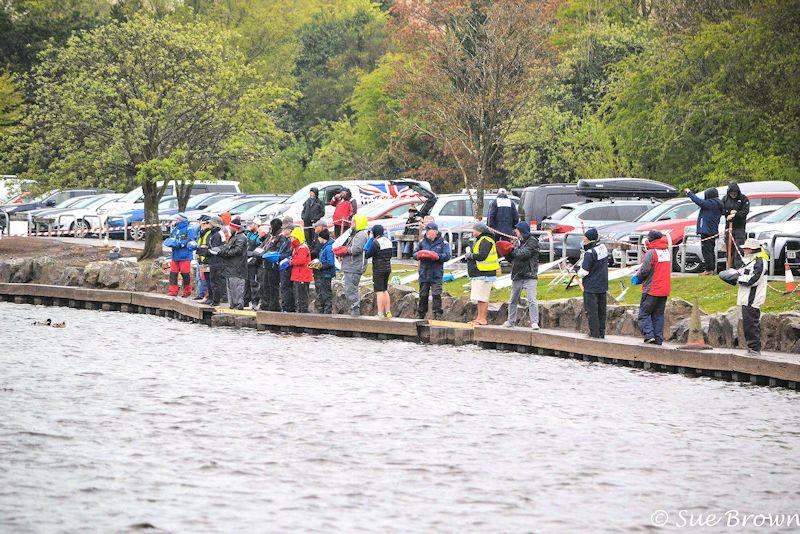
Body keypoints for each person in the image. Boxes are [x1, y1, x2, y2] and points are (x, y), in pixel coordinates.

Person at [631, 230, 671, 345]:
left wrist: (637, 278)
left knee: (644, 314)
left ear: (650, 240)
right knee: (658, 315)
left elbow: (644, 270)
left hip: (652, 289)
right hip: (664, 290)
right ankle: (658, 339)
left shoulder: (651, 252)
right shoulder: (666, 251)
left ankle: (649, 335)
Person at [503, 221, 540, 330]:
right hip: (517, 274)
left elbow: (522, 254)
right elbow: (511, 258)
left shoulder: (533, 242)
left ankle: (534, 322)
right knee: (513, 299)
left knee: (532, 299)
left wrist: (512, 249)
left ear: (522, 231)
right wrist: (506, 252)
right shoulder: (516, 242)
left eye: (517, 230)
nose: (515, 232)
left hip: (530, 274)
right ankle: (510, 321)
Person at [736, 238, 768, 355]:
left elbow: (753, 280)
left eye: (746, 248)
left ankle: (754, 349)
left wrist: (737, 279)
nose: (744, 250)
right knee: (748, 324)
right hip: (746, 298)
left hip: (752, 299)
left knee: (751, 324)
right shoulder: (751, 260)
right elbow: (743, 273)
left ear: (752, 249)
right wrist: (734, 274)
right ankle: (751, 348)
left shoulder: (759, 261)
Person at [414, 222, 451, 320]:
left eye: (429, 231)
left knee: (436, 294)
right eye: (426, 231)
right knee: (423, 294)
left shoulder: (443, 243)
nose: (427, 233)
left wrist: (438, 257)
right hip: (424, 273)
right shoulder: (422, 242)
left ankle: (438, 315)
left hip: (436, 273)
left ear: (435, 232)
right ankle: (421, 314)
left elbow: (447, 255)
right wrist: (419, 255)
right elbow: (414, 253)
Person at [577, 227, 609, 338]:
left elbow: (584, 272)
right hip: (603, 285)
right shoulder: (603, 248)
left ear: (589, 239)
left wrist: (578, 271)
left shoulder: (589, 253)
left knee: (592, 311)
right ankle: (601, 333)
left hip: (591, 287)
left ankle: (594, 334)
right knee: (601, 311)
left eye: (585, 237)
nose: (583, 239)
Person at [466, 222, 499, 325]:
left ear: (479, 230)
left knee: (483, 298)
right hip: (479, 273)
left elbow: (482, 256)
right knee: (479, 298)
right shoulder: (481, 239)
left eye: (474, 229)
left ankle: (482, 319)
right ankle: (479, 318)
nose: (473, 231)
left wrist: (470, 256)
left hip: (484, 273)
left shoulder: (486, 240)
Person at [685, 187, 723, 275]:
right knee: (710, 250)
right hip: (712, 231)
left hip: (707, 231)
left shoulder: (711, 203)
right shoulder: (717, 203)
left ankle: (709, 270)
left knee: (707, 251)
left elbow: (698, 201)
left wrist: (689, 193)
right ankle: (711, 269)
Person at [337, 213, 369, 316]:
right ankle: (354, 311)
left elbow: (357, 249)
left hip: (354, 266)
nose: (352, 223)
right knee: (349, 289)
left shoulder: (361, 235)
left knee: (351, 290)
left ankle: (355, 312)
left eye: (354, 221)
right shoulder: (355, 234)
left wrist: (345, 250)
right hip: (350, 266)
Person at [213, 216, 247, 310]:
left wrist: (225, 253)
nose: (230, 228)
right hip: (230, 265)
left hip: (238, 266)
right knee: (230, 286)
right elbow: (228, 247)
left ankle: (239, 304)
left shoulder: (241, 237)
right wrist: (220, 250)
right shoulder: (234, 236)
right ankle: (232, 304)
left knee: (237, 286)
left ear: (235, 227)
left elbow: (237, 250)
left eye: (231, 227)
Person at [164, 212, 197, 297]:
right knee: (173, 274)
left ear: (181, 220)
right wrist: (170, 242)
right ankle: (173, 292)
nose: (175, 221)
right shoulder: (175, 229)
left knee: (185, 274)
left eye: (177, 219)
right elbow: (171, 239)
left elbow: (190, 240)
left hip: (185, 256)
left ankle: (187, 292)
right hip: (175, 255)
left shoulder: (189, 229)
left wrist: (179, 243)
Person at [365, 224, 394, 318]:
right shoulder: (388, 241)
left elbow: (367, 254)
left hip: (378, 269)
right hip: (387, 268)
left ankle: (380, 313)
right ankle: (388, 312)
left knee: (379, 291)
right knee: (385, 290)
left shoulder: (376, 243)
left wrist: (368, 243)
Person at [722, 181, 750, 269]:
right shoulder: (725, 199)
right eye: (731, 192)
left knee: (739, 249)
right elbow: (722, 210)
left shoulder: (743, 199)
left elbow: (745, 212)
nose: (733, 194)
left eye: (735, 192)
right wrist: (729, 212)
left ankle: (738, 268)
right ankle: (729, 268)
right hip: (728, 228)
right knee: (729, 250)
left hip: (739, 228)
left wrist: (735, 214)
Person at [259, 218, 285, 311]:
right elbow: (266, 246)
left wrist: (268, 253)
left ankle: (274, 306)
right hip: (266, 264)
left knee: (273, 287)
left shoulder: (280, 237)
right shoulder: (272, 236)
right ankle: (266, 304)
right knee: (265, 286)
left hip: (273, 265)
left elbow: (277, 250)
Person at [287, 226, 312, 313]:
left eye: (293, 237)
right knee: (299, 296)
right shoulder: (297, 248)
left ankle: (303, 313)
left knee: (302, 297)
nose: (291, 239)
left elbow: (301, 260)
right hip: (298, 275)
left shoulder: (302, 248)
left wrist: (290, 262)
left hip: (302, 276)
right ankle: (300, 312)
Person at [313, 228, 336, 314]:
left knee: (326, 293)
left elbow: (330, 262)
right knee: (324, 293)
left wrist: (319, 266)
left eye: (319, 238)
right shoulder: (325, 247)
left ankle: (327, 311)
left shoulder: (328, 248)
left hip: (326, 274)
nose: (318, 239)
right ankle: (324, 310)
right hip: (323, 274)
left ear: (322, 238)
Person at [243, 217, 263, 309]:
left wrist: (252, 256)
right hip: (247, 260)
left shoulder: (259, 236)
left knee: (254, 283)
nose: (250, 225)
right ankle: (245, 301)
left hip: (255, 262)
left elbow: (259, 249)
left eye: (252, 224)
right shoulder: (249, 234)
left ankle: (255, 302)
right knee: (246, 282)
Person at [194, 215, 214, 301]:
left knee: (206, 279)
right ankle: (202, 294)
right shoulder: (201, 232)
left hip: (206, 259)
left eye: (202, 223)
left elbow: (207, 246)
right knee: (200, 278)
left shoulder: (209, 233)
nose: (200, 225)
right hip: (200, 258)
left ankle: (206, 296)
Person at [279, 216, 296, 312]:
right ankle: (286, 306)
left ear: (289, 230)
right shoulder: (285, 240)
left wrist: (280, 256)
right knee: (284, 287)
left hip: (287, 267)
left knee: (286, 287)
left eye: (284, 229)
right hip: (283, 267)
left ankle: (288, 307)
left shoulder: (291, 240)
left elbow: (289, 253)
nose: (283, 231)